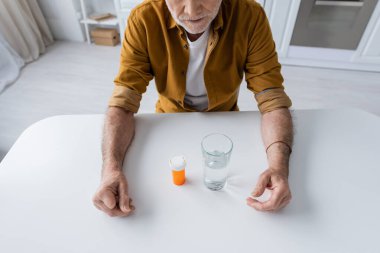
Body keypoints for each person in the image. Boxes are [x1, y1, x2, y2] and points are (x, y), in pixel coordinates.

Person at [93, 0, 293, 217]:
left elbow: (272, 98)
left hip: (225, 123)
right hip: (169, 123)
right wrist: (110, 170)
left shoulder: (250, 16)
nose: (191, 11)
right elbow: (123, 100)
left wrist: (278, 169)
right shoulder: (143, 19)